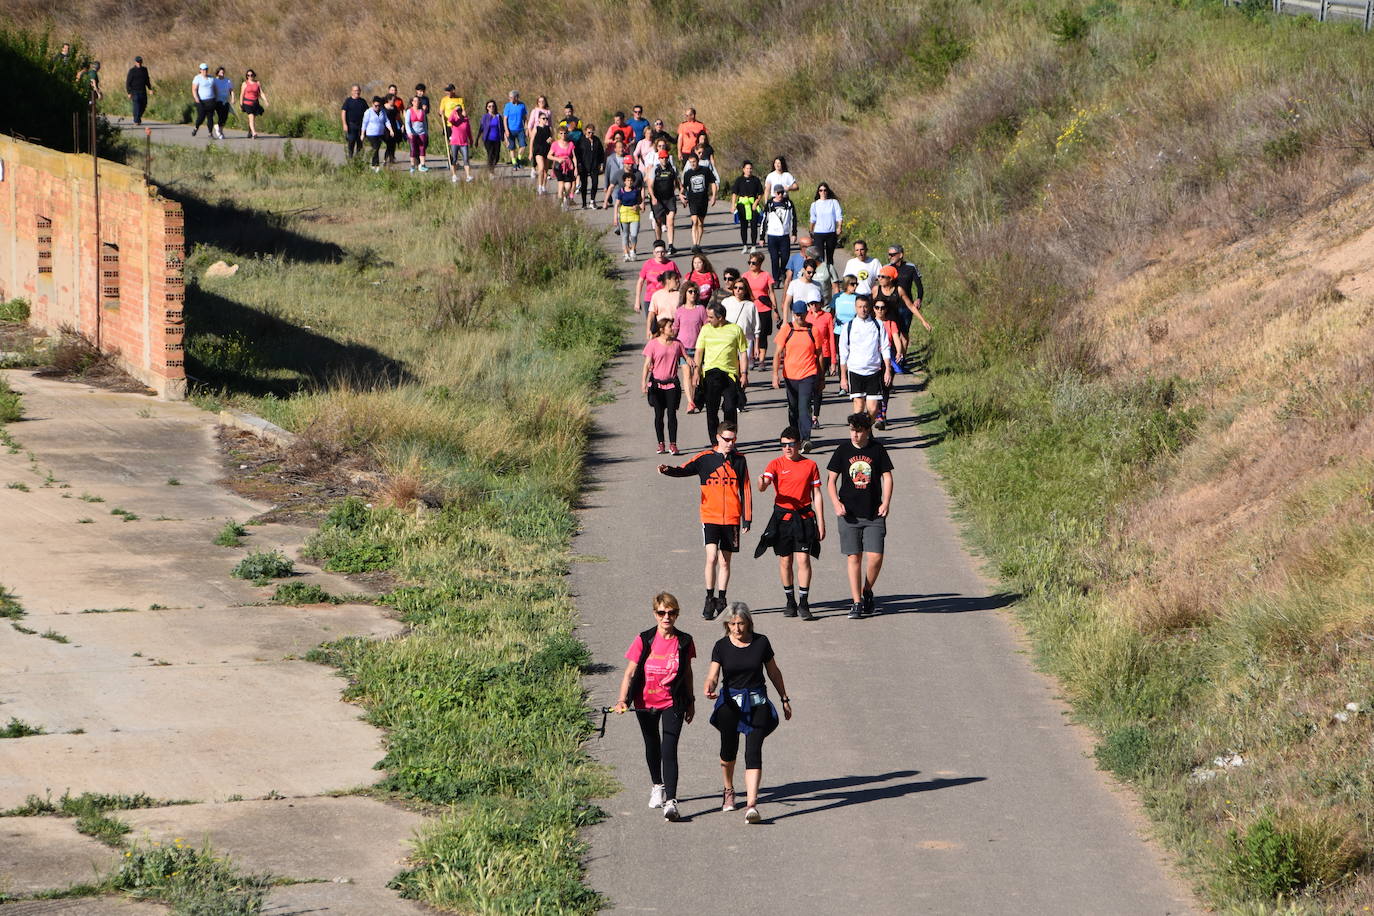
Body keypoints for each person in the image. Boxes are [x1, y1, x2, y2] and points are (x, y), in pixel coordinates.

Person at [704, 603, 791, 823]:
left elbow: (773, 672)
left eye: (741, 623)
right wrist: (710, 686)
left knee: (753, 751)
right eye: (732, 624)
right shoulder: (721, 646)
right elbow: (713, 675)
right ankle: (729, 789)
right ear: (727, 625)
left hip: (757, 703)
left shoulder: (761, 642)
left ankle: (751, 805)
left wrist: (784, 698)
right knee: (729, 750)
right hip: (730, 705)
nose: (737, 629)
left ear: (748, 623)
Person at [613, 592, 696, 823]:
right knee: (652, 745)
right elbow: (629, 672)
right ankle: (657, 786)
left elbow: (687, 672)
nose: (666, 617)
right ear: (655, 614)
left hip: (673, 701)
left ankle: (671, 801)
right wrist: (622, 700)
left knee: (669, 748)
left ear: (677, 614)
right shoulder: (644, 639)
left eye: (671, 612)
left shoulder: (685, 641)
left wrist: (691, 701)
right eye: (661, 612)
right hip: (644, 701)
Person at [658, 421, 751, 619]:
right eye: (726, 439)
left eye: (733, 439)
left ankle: (722, 599)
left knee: (725, 562)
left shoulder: (740, 460)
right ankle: (709, 598)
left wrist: (747, 519)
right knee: (711, 557)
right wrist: (668, 470)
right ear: (718, 437)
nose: (730, 443)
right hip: (710, 516)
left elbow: (746, 489)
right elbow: (684, 469)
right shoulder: (705, 459)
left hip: (732, 518)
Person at [826, 412, 894, 619]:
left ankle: (867, 590)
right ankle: (856, 602)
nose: (854, 435)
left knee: (875, 557)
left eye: (858, 431)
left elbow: (887, 477)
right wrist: (836, 503)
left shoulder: (877, 450)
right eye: (852, 430)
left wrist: (886, 502)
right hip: (849, 514)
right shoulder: (842, 450)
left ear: (867, 431)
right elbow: (831, 481)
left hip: (874, 513)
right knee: (854, 557)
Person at [756, 427, 825, 619]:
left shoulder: (810, 465)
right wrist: (761, 482)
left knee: (803, 559)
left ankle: (804, 602)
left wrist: (821, 522)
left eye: (791, 444)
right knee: (785, 561)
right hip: (782, 519)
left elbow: (817, 495)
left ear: (799, 444)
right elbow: (764, 486)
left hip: (803, 518)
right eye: (783, 444)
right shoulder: (775, 464)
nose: (787, 448)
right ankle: (790, 601)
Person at [694, 305, 750, 444]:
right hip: (711, 374)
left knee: (730, 407)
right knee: (712, 411)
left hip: (730, 374)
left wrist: (744, 373)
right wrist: (696, 372)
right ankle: (715, 442)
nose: (708, 320)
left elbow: (743, 353)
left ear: (721, 318)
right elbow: (699, 352)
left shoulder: (735, 329)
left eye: (711, 317)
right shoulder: (705, 329)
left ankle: (730, 439)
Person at [772, 303, 824, 449]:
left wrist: (821, 377)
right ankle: (795, 436)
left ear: (806, 313)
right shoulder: (787, 329)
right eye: (796, 314)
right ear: (793, 313)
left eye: (801, 314)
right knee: (793, 408)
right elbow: (777, 353)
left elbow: (819, 355)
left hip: (808, 374)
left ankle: (806, 438)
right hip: (790, 376)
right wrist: (775, 375)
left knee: (804, 407)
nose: (798, 317)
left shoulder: (813, 330)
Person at [642, 319, 692, 455]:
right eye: (670, 326)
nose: (673, 328)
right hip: (656, 386)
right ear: (662, 329)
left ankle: (673, 444)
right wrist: (643, 382)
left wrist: (691, 361)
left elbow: (685, 356)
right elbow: (647, 364)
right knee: (659, 415)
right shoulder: (652, 344)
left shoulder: (677, 343)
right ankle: (661, 444)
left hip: (672, 385)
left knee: (672, 415)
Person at [839, 295, 893, 419]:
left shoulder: (878, 325)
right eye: (859, 307)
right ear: (855, 308)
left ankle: (867, 431)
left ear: (869, 308)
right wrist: (843, 377)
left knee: (873, 408)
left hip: (873, 371)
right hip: (855, 371)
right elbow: (843, 353)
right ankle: (860, 436)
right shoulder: (849, 326)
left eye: (865, 307)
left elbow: (885, 348)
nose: (862, 309)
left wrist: (888, 370)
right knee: (858, 407)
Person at [871, 297, 909, 431]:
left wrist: (899, 352)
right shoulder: (870, 323)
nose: (880, 310)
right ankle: (879, 415)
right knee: (876, 387)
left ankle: (883, 414)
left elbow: (896, 338)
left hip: (889, 357)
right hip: (873, 358)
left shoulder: (891, 323)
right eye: (877, 307)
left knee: (886, 386)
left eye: (882, 308)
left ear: (886, 310)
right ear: (873, 309)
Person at [673, 284, 708, 407]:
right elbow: (675, 328)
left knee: (696, 374)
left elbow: (706, 327)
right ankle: (690, 402)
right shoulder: (679, 310)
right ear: (685, 293)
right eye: (690, 291)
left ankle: (696, 397)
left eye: (695, 292)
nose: (693, 294)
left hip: (698, 347)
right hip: (683, 348)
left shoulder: (701, 309)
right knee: (687, 373)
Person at [804, 299, 836, 431]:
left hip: (824, 355)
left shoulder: (827, 316)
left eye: (816, 303)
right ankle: (807, 413)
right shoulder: (805, 316)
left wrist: (834, 361)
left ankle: (815, 417)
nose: (814, 306)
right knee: (807, 388)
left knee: (818, 388)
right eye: (811, 304)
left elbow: (832, 339)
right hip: (808, 356)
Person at [740, 254, 773, 369]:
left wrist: (776, 309)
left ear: (759, 264)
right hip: (749, 309)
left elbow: (771, 293)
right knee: (750, 334)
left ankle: (762, 360)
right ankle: (751, 358)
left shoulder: (766, 275)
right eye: (749, 262)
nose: (751, 265)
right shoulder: (745, 276)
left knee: (762, 334)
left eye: (753, 263)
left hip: (764, 308)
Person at [762, 186, 797, 294]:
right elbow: (764, 220)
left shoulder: (788, 204)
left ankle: (783, 272)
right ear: (774, 193)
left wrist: (794, 233)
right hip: (772, 235)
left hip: (784, 235)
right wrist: (762, 237)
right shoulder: (769, 204)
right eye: (778, 193)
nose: (780, 195)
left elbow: (793, 218)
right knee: (774, 258)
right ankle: (776, 279)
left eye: (782, 193)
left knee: (785, 257)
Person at [886, 244, 926, 335]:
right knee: (892, 333)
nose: (890, 257)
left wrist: (919, 299)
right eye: (889, 255)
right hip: (891, 306)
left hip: (906, 306)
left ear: (900, 255)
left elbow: (919, 286)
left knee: (904, 333)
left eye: (893, 254)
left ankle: (903, 350)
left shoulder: (911, 267)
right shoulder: (886, 268)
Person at [681, 153, 717, 250]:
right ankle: (694, 244)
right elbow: (684, 187)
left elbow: (713, 183)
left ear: (698, 161)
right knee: (694, 221)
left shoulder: (705, 170)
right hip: (692, 199)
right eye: (690, 162)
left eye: (694, 162)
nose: (692, 164)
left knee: (700, 223)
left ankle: (698, 243)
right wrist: (681, 195)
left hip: (703, 199)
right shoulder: (688, 173)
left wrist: (713, 196)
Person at [721, 277, 759, 369]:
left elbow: (756, 327)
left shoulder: (750, 305)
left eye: (741, 288)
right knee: (730, 364)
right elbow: (720, 320)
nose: (737, 290)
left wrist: (756, 346)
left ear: (745, 290)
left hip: (746, 340)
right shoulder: (726, 302)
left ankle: (743, 380)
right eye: (735, 287)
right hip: (729, 338)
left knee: (743, 366)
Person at [649, 149, 681, 255]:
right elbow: (650, 185)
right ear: (659, 158)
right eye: (662, 158)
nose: (664, 160)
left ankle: (671, 245)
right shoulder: (655, 170)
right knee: (658, 221)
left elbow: (677, 183)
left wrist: (681, 193)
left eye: (666, 158)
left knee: (670, 220)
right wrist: (653, 197)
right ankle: (659, 243)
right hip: (658, 199)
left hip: (670, 198)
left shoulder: (672, 169)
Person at [633, 240, 679, 312]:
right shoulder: (648, 264)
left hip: (666, 299)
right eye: (657, 252)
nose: (660, 255)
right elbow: (640, 281)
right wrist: (637, 300)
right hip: (650, 299)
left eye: (662, 252)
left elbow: (677, 282)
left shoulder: (671, 264)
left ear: (665, 252)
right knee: (651, 322)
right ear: (653, 253)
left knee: (665, 322)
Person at [809, 183, 842, 269]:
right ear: (818, 192)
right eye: (821, 190)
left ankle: (830, 275)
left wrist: (839, 227)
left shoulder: (833, 202)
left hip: (831, 233)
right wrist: (811, 230)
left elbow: (839, 216)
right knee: (819, 257)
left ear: (827, 191)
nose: (823, 192)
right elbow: (813, 219)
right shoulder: (815, 204)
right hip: (819, 233)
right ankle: (821, 275)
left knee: (830, 256)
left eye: (825, 190)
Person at [615, 173, 645, 261]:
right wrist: (615, 218)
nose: (629, 182)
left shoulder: (636, 191)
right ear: (624, 181)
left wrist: (638, 206)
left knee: (634, 234)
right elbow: (617, 204)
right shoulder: (621, 191)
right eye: (627, 180)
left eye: (631, 180)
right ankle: (625, 253)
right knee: (625, 235)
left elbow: (641, 204)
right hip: (624, 213)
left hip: (634, 213)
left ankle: (632, 250)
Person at [646, 270, 681, 341]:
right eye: (675, 279)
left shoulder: (679, 295)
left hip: (676, 328)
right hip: (662, 328)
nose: (677, 281)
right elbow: (651, 314)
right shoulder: (657, 295)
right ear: (668, 281)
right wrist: (648, 330)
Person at [362, 96, 395, 172]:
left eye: (379, 106)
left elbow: (386, 121)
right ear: (372, 104)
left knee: (382, 146)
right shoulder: (368, 112)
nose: (377, 107)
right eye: (375, 105)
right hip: (371, 133)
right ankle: (375, 165)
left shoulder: (382, 111)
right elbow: (364, 123)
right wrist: (362, 134)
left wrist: (391, 130)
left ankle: (385, 160)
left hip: (380, 133)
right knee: (375, 148)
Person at [549, 126, 579, 206]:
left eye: (565, 133)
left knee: (568, 186)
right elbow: (549, 156)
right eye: (561, 133)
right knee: (561, 184)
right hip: (558, 166)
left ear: (567, 134)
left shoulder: (570, 144)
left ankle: (566, 198)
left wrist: (576, 168)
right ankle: (561, 202)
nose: (563, 135)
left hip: (568, 166)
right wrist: (557, 159)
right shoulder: (555, 144)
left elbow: (574, 157)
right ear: (558, 134)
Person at [577, 122, 605, 209]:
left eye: (592, 132)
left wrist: (601, 163)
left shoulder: (596, 140)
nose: (590, 134)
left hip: (594, 165)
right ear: (585, 131)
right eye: (589, 132)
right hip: (584, 165)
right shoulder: (581, 141)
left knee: (595, 183)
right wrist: (579, 164)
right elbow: (577, 153)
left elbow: (601, 152)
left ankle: (592, 201)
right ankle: (584, 203)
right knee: (584, 184)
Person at [447, 104, 473, 183]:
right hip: (454, 142)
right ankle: (454, 175)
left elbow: (468, 131)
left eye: (459, 110)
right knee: (454, 159)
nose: (458, 112)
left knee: (466, 159)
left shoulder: (465, 120)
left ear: (462, 111)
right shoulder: (454, 120)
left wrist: (471, 140)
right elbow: (449, 120)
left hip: (464, 142)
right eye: (457, 111)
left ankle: (468, 176)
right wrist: (454, 111)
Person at [502, 90, 527, 171]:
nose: (510, 99)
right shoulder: (507, 106)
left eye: (511, 97)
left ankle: (519, 160)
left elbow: (525, 118)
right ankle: (514, 163)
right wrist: (506, 130)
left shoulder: (522, 105)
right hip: (510, 129)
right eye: (509, 97)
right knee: (512, 148)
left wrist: (526, 128)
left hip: (520, 129)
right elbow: (505, 119)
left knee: (523, 146)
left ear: (516, 97)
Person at [190, 63, 217, 138]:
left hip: (211, 100)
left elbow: (214, 88)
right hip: (201, 101)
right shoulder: (197, 78)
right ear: (200, 70)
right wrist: (196, 98)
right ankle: (196, 128)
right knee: (201, 117)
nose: (205, 71)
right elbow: (194, 89)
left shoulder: (211, 78)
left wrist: (216, 97)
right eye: (203, 69)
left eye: (206, 69)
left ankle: (210, 133)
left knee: (210, 117)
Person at [340, 85, 367, 158]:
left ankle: (358, 159)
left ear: (360, 91)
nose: (357, 92)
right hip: (351, 125)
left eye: (358, 90)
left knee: (360, 143)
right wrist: (344, 124)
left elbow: (367, 113)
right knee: (351, 142)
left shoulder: (363, 101)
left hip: (361, 126)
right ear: (352, 91)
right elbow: (343, 112)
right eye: (355, 91)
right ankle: (350, 157)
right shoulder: (348, 101)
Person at [530, 108, 553, 193]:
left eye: (546, 118)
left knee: (546, 170)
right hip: (538, 150)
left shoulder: (548, 128)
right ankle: (539, 186)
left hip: (546, 150)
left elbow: (552, 139)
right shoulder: (536, 128)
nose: (545, 120)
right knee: (541, 168)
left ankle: (544, 186)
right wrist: (530, 152)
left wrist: (551, 139)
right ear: (539, 119)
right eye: (543, 118)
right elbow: (532, 140)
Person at [125, 56, 153, 125]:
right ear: (135, 62)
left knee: (144, 105)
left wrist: (150, 89)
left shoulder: (144, 70)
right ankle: (136, 121)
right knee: (136, 106)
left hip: (143, 91)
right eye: (138, 62)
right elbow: (128, 82)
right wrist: (129, 92)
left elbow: (147, 80)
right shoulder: (132, 71)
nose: (139, 63)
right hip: (134, 92)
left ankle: (138, 117)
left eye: (140, 62)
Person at [405, 96, 430, 173]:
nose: (416, 102)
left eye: (418, 101)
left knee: (422, 148)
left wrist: (426, 133)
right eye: (415, 101)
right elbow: (407, 123)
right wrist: (409, 132)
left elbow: (425, 123)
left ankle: (422, 165)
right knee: (413, 150)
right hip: (412, 133)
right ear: (412, 102)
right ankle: (412, 166)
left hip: (421, 132)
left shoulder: (422, 111)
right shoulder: (409, 111)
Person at [479, 99, 504, 173]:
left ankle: (491, 167)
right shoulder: (485, 117)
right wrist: (477, 139)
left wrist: (505, 137)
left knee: (497, 156)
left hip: (497, 139)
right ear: (487, 108)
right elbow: (481, 128)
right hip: (488, 139)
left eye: (493, 106)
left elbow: (502, 128)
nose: (491, 108)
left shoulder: (498, 117)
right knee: (490, 154)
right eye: (489, 106)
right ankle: (491, 171)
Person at [240, 69, 266, 138]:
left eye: (251, 75)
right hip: (247, 103)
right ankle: (254, 133)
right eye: (248, 75)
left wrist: (265, 101)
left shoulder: (257, 83)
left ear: (254, 75)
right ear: (247, 76)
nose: (250, 76)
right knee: (251, 117)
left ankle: (249, 132)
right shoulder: (244, 84)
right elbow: (242, 94)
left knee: (252, 119)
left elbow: (261, 93)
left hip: (255, 103)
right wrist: (241, 104)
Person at [212, 66, 235, 139]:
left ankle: (220, 131)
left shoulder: (227, 80)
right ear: (217, 73)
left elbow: (231, 90)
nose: (222, 73)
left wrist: (233, 99)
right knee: (220, 116)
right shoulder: (214, 80)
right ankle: (219, 131)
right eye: (221, 72)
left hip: (226, 101)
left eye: (223, 72)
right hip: (218, 101)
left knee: (225, 117)